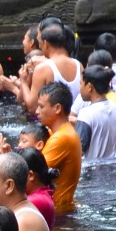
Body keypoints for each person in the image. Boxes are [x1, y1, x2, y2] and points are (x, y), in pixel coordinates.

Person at [35, 82, 82, 216]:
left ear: (57, 108)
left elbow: (31, 174)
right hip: (61, 210)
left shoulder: (61, 138)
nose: (36, 111)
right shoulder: (61, 132)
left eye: (41, 107)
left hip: (58, 214)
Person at [72, 62, 116, 165]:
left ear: (89, 87)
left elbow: (76, 152)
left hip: (93, 175)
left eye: (81, 84)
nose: (79, 89)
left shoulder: (86, 114)